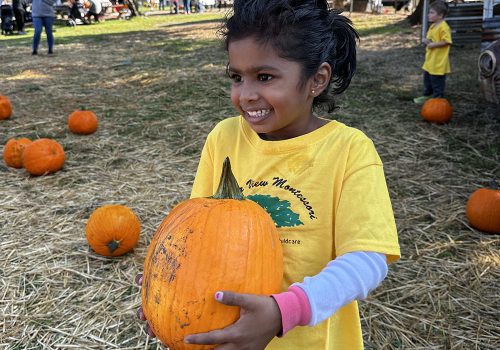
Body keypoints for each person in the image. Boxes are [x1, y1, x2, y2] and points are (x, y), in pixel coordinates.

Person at [136, 0, 401, 349]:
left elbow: (369, 260)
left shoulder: (349, 150)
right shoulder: (224, 138)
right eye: (236, 77)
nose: (245, 95)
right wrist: (168, 284)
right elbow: (195, 235)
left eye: (264, 77)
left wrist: (283, 311)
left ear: (316, 80)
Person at [413, 0, 452, 105]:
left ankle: (437, 100)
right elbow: (431, 39)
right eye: (429, 12)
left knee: (437, 82)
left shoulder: (444, 27)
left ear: (440, 15)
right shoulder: (432, 26)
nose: (428, 14)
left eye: (431, 12)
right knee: (428, 80)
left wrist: (432, 45)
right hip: (430, 60)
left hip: (438, 62)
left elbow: (447, 41)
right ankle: (427, 96)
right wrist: (427, 41)